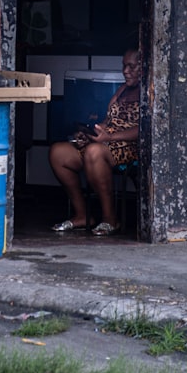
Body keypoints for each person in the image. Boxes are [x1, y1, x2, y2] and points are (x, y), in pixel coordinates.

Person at [49, 49, 140, 236]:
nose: (126, 71)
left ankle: (110, 219)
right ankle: (82, 215)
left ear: (145, 68)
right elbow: (109, 120)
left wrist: (109, 138)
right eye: (124, 66)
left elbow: (145, 129)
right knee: (58, 153)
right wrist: (93, 132)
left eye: (132, 66)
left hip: (129, 146)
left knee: (94, 152)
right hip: (104, 142)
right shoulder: (122, 90)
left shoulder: (151, 91)